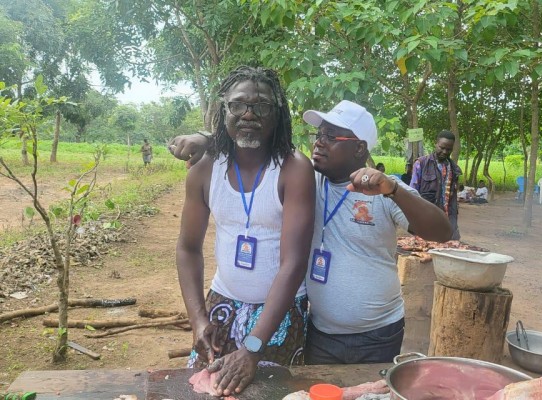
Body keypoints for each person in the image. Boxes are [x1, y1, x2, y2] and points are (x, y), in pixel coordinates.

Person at [170, 99, 452, 368]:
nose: (319, 142)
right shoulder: (306, 180)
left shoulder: (384, 190)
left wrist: (394, 190)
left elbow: (442, 232)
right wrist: (207, 137)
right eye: (319, 134)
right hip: (319, 331)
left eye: (331, 137)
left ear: (359, 148)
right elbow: (255, 142)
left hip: (376, 334)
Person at [176, 66, 315, 397]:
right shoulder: (206, 169)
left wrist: (253, 346)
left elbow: (294, 263)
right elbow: (187, 248)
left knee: (274, 394)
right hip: (221, 307)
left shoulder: (294, 169)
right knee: (205, 390)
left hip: (279, 317)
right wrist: (198, 320)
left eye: (261, 106)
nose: (248, 114)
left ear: (277, 113)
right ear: (225, 109)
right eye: (238, 104)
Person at [410, 130, 462, 240]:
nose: (444, 152)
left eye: (448, 149)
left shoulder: (454, 169)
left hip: (446, 220)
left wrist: (453, 225)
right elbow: (412, 193)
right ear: (436, 144)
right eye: (442, 147)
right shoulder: (421, 164)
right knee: (423, 252)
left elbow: (452, 199)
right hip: (425, 219)